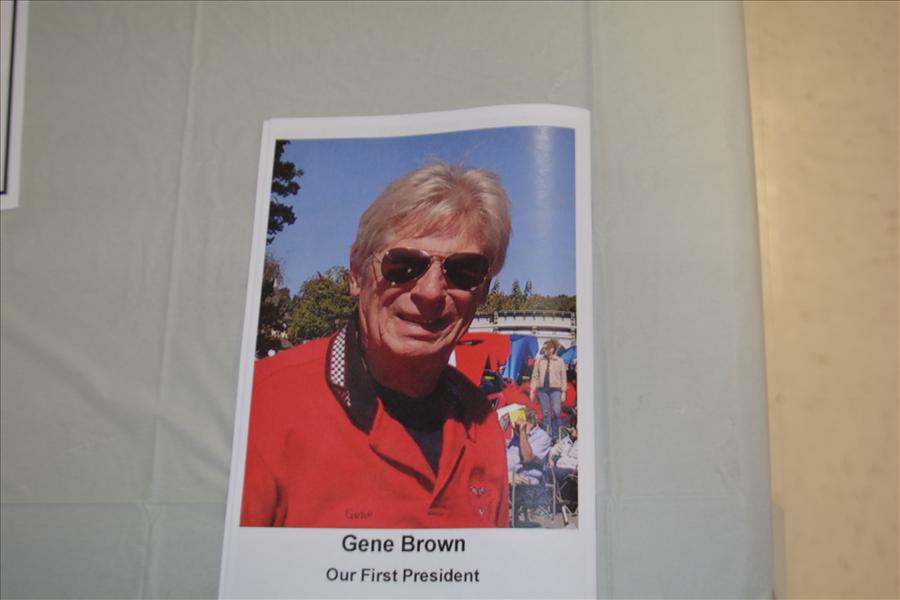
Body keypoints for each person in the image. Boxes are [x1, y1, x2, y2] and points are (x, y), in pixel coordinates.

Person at [241, 162, 512, 528]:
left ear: (483, 290)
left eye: (463, 271)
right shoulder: (261, 405)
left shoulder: (482, 423)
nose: (431, 291)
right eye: (404, 265)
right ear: (356, 273)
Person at [529, 339, 567, 438]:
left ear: (552, 349)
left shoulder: (559, 361)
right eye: (543, 348)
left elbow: (563, 377)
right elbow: (535, 376)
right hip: (542, 390)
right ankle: (547, 435)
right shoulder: (539, 360)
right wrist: (532, 390)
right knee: (546, 413)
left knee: (557, 412)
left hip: (556, 390)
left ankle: (558, 434)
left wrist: (563, 392)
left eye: (546, 348)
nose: (543, 350)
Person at [506, 409, 552, 485]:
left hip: (525, 478)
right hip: (508, 474)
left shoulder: (542, 437)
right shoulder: (517, 434)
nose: (514, 427)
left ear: (529, 423)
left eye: (517, 424)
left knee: (498, 479)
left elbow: (527, 458)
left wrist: (522, 431)